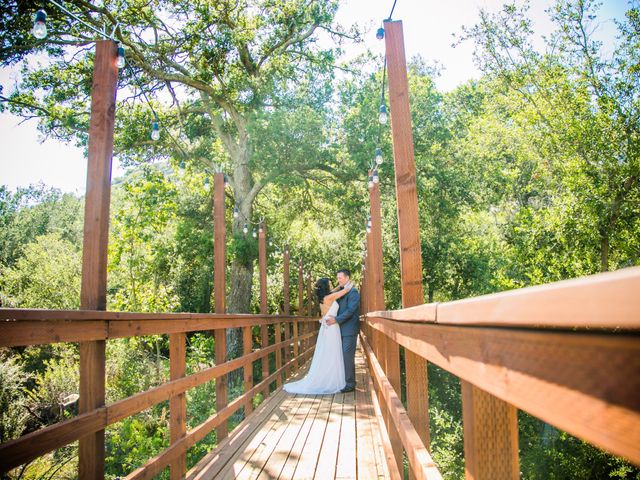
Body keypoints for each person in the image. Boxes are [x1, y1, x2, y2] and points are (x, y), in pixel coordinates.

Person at [283, 277, 352, 394]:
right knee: (332, 353)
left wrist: (340, 285)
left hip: (327, 328)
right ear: (326, 287)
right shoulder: (330, 297)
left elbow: (335, 290)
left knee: (328, 353)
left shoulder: (324, 297)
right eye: (330, 284)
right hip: (331, 328)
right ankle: (332, 380)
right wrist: (348, 283)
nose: (332, 285)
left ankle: (329, 377)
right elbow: (345, 291)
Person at [325, 269, 360, 393]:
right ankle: (344, 380)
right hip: (340, 329)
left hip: (350, 330)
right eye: (338, 277)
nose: (338, 280)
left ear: (347, 278)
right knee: (342, 356)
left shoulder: (354, 293)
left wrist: (336, 320)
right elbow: (329, 298)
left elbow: (350, 311)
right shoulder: (342, 292)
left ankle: (350, 384)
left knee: (347, 356)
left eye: (340, 278)